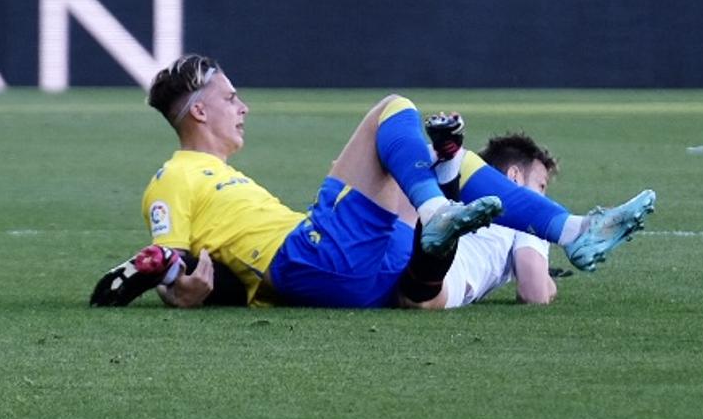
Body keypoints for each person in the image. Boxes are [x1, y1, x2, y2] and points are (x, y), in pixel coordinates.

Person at [90, 53, 656, 309]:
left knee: (446, 163)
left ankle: (576, 227)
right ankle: (436, 208)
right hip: (313, 261)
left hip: (366, 274)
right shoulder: (175, 177)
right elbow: (165, 258)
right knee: (394, 108)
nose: (244, 107)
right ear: (199, 114)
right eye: (231, 98)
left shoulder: (221, 175)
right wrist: (177, 291)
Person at [400, 130, 565, 310]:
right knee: (417, 296)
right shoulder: (530, 218)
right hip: (439, 283)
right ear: (514, 176)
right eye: (541, 186)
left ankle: (443, 161)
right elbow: (533, 293)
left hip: (396, 243)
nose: (544, 198)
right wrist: (550, 285)